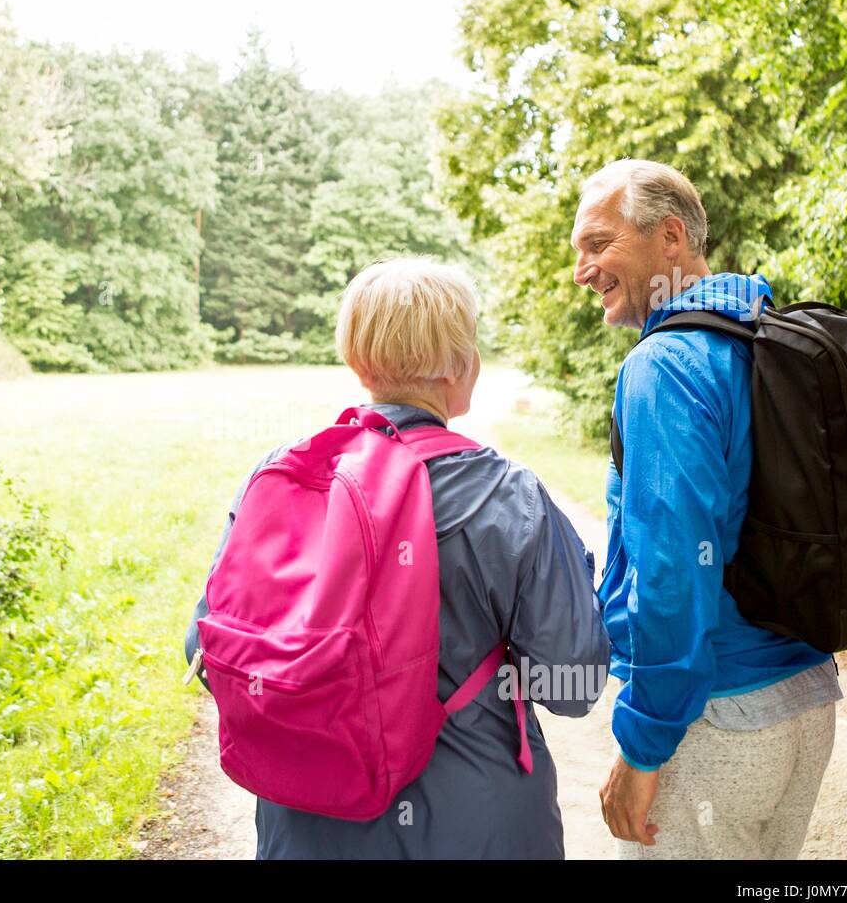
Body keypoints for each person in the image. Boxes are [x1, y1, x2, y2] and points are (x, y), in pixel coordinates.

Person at [184, 256, 610, 858]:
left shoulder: (283, 474)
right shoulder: (510, 496)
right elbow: (576, 682)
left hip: (307, 822)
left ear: (358, 360)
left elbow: (204, 650)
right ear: (461, 365)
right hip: (478, 826)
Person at [571, 159, 843, 859]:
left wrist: (643, 747)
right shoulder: (760, 339)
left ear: (669, 236)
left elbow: (671, 572)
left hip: (718, 721)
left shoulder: (665, 365)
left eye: (598, 244)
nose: (581, 270)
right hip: (806, 702)